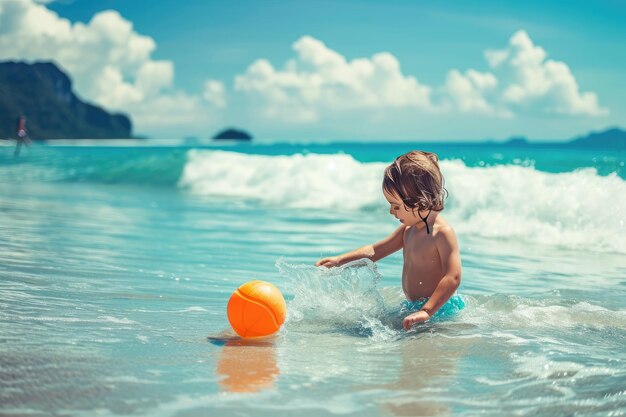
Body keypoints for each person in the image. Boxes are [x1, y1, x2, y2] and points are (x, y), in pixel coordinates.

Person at [316, 151, 463, 330]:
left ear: (418, 200)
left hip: (439, 310)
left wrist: (427, 311)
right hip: (415, 307)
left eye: (396, 206)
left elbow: (453, 276)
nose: (391, 212)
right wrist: (340, 260)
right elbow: (375, 251)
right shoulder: (408, 230)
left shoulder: (441, 234)